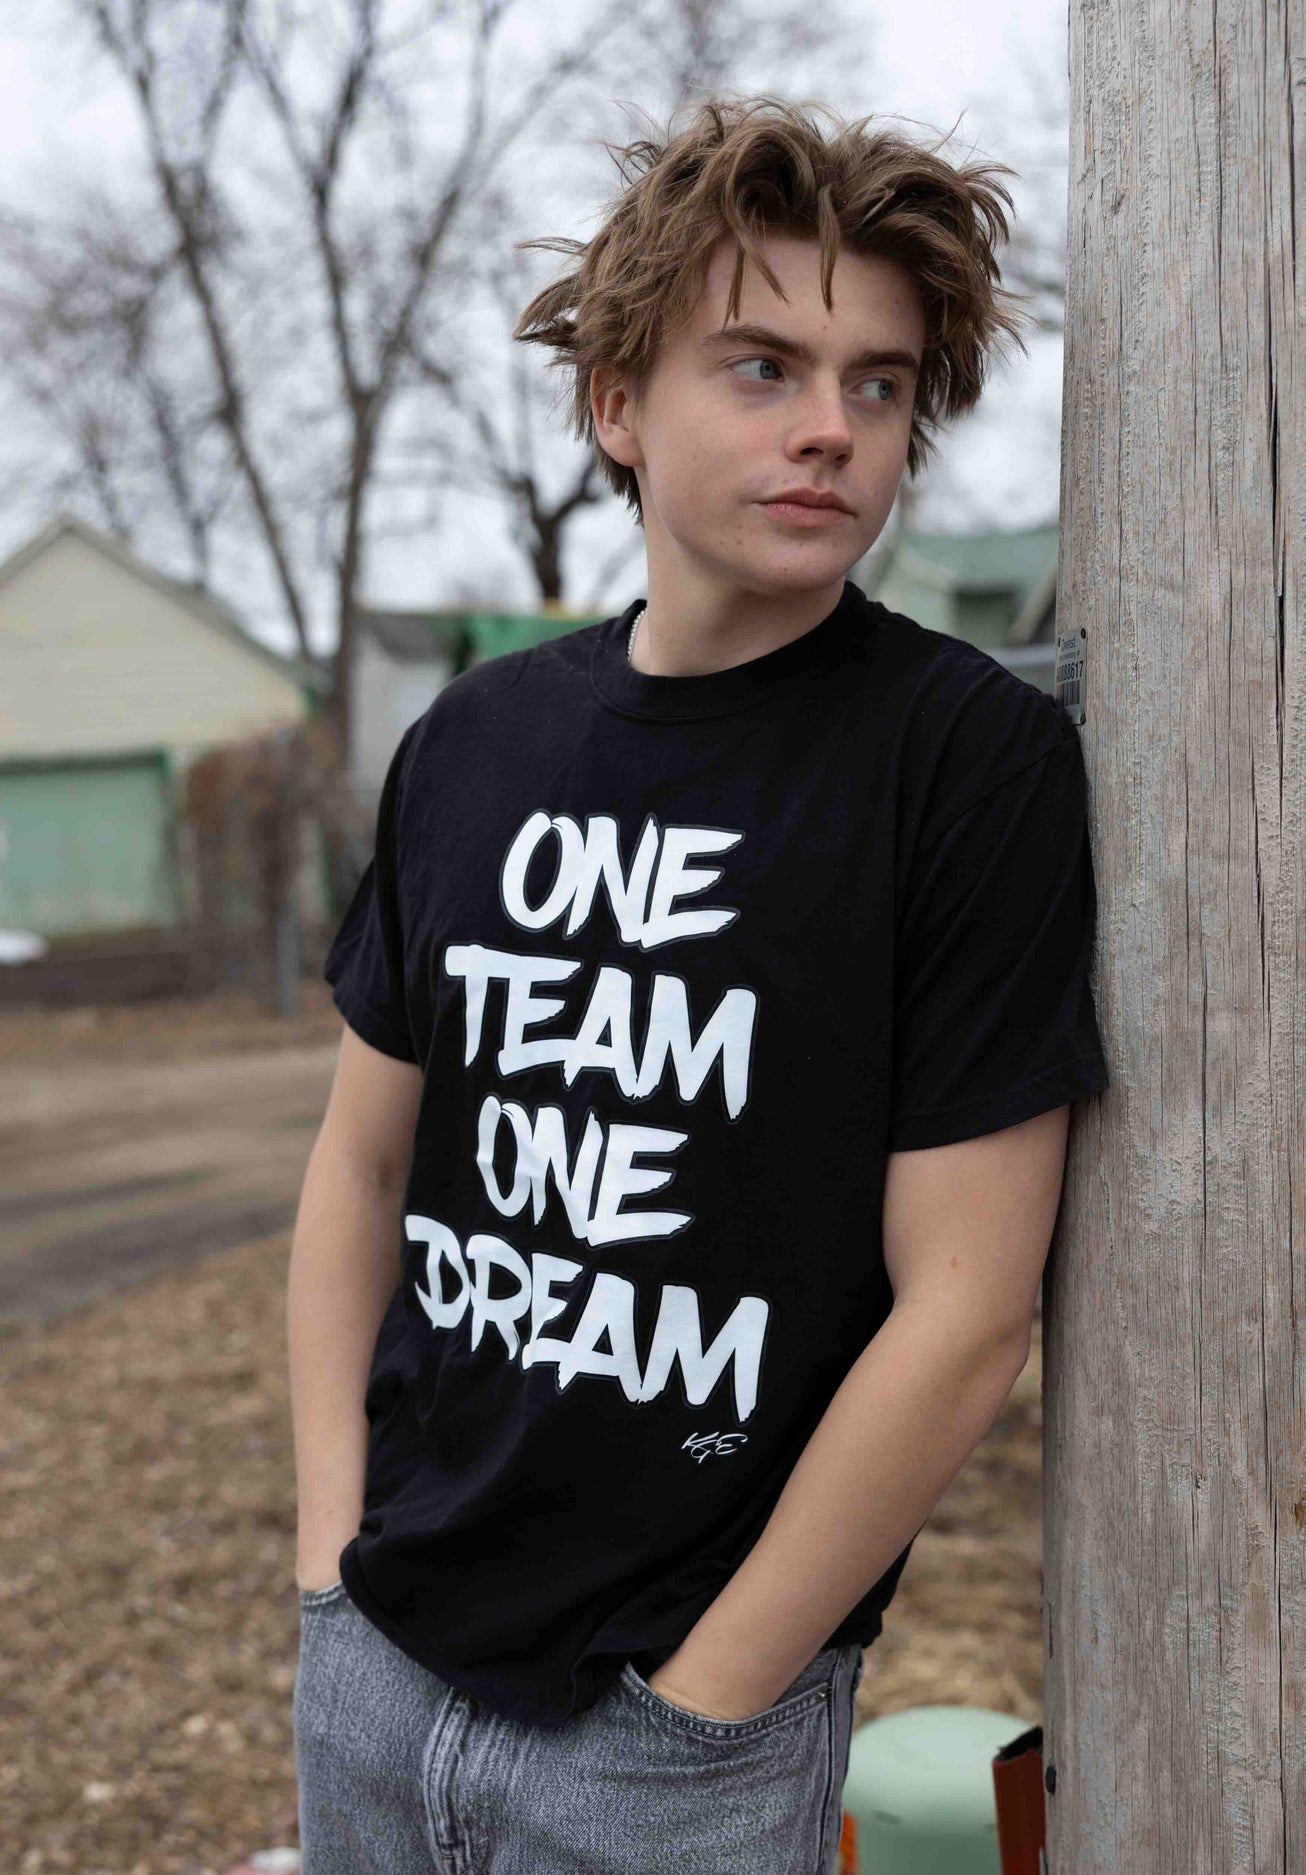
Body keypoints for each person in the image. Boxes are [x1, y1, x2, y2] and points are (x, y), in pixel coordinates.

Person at [288, 92, 1111, 1875]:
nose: (832, 430)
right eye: (762, 367)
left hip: (671, 1733)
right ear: (615, 405)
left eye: (878, 386)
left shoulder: (963, 765)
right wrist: (322, 1573)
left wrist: (705, 1706)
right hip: (380, 1662)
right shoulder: (474, 743)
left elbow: (965, 1315)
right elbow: (360, 1170)